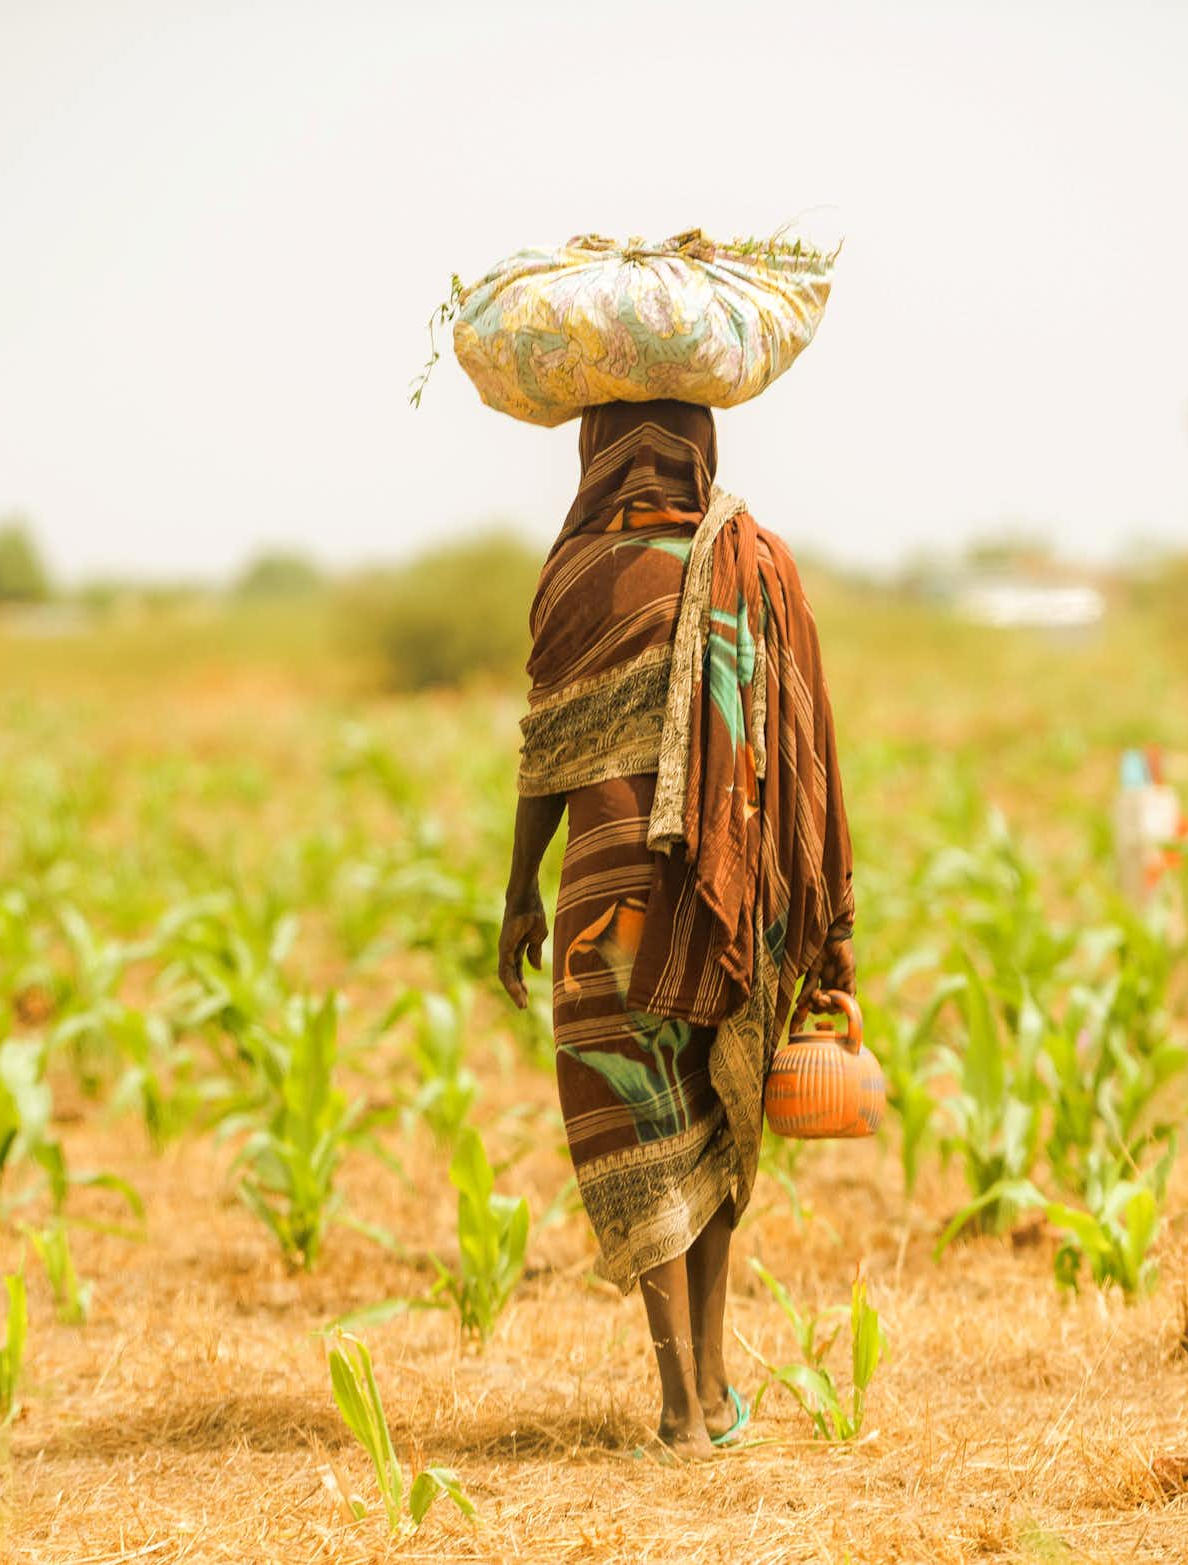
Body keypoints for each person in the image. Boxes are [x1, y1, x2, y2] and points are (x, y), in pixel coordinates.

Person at [496, 399, 855, 1459]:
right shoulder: (757, 561)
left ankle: (675, 1405)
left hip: (606, 900)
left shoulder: (571, 575)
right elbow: (803, 736)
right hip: (727, 890)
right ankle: (718, 1378)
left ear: (595, 450)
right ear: (700, 444)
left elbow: (545, 755)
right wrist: (825, 916)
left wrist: (519, 890)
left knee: (643, 1133)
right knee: (717, 1111)